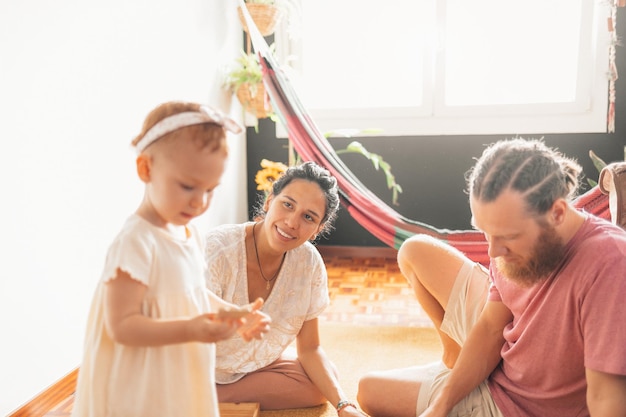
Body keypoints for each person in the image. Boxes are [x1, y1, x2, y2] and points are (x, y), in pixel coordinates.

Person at [357, 138, 626, 417]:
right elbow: (490, 327)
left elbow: (605, 396)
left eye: (507, 236)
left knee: (371, 392)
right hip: (508, 353)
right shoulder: (511, 245)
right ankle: (454, 359)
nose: (492, 251)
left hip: (515, 406)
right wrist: (439, 407)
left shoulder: (610, 265)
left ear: (556, 213)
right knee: (414, 250)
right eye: (485, 231)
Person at [71, 101, 270, 417]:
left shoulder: (189, 234)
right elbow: (122, 326)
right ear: (146, 169)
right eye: (188, 186)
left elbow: (191, 294)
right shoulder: (136, 241)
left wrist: (234, 313)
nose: (199, 201)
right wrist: (191, 330)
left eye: (210, 189)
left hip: (176, 364)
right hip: (141, 375)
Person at [205, 161, 368, 416]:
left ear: (318, 229)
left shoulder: (309, 263)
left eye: (308, 217)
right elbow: (185, 321)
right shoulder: (219, 247)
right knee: (315, 382)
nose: (292, 222)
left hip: (248, 366)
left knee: (322, 384)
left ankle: (213, 396)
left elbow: (310, 348)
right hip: (197, 360)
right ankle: (194, 394)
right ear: (270, 201)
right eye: (288, 204)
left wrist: (344, 405)